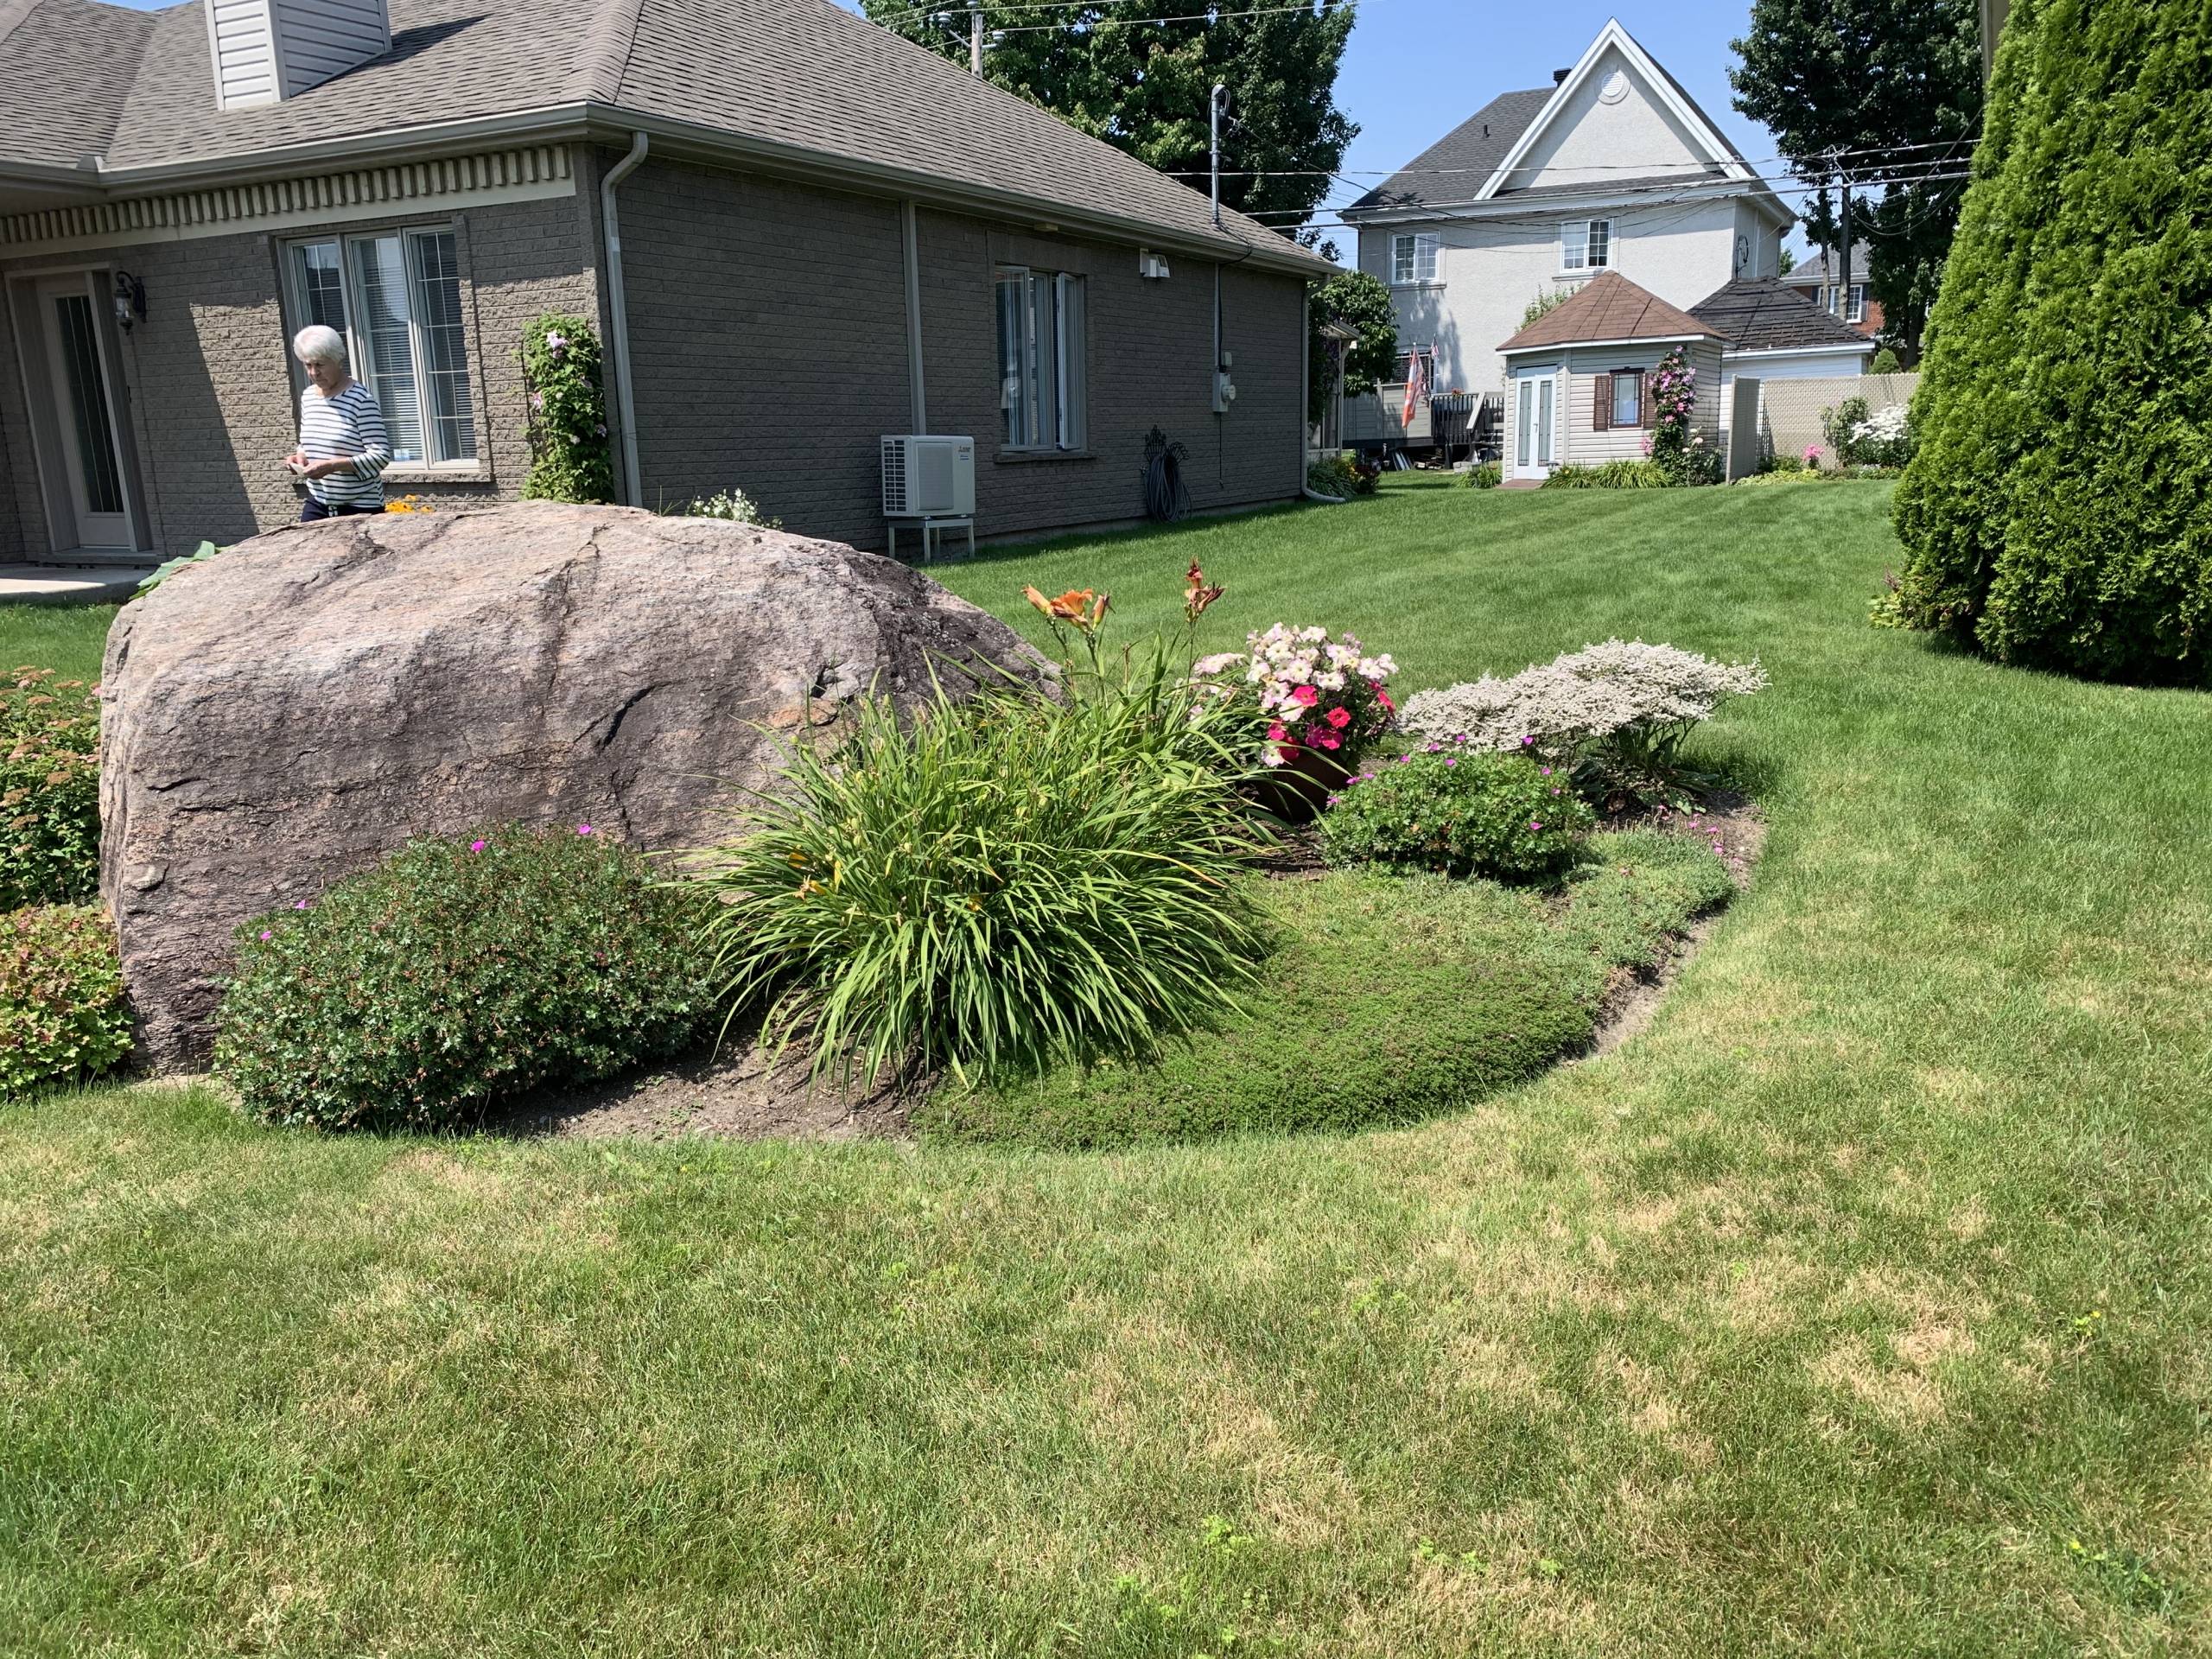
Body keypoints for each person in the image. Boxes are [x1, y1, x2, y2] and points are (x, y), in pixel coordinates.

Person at [285, 325, 391, 519]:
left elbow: (381, 456)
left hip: (360, 505)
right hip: (318, 502)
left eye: (320, 365)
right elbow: (308, 442)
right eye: (308, 365)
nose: (314, 373)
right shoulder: (309, 397)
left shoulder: (360, 399)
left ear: (337, 359)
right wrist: (300, 457)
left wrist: (332, 466)